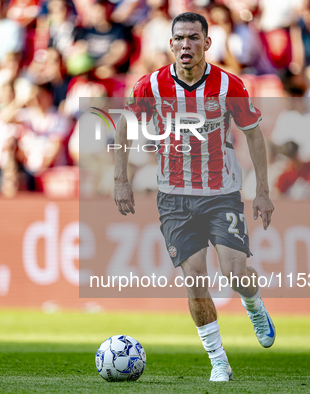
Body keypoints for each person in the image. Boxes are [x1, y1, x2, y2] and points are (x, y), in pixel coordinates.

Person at [113, 12, 276, 382]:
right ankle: (219, 361)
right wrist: (120, 179)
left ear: (206, 44)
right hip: (174, 199)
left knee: (235, 273)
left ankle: (253, 302)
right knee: (195, 278)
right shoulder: (150, 86)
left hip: (221, 194)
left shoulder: (228, 85)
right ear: (170, 45)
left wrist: (263, 192)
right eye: (179, 38)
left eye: (193, 37)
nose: (185, 44)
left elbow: (254, 135)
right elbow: (124, 124)